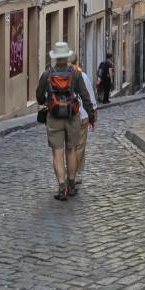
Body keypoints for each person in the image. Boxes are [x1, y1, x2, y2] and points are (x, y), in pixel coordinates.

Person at [37, 41, 97, 201]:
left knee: (57, 152)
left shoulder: (47, 74)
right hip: (72, 116)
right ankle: (71, 185)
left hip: (54, 117)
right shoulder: (75, 74)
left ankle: (61, 187)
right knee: (71, 150)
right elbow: (85, 96)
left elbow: (38, 96)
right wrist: (91, 116)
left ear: (55, 58)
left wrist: (49, 101)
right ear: (67, 56)